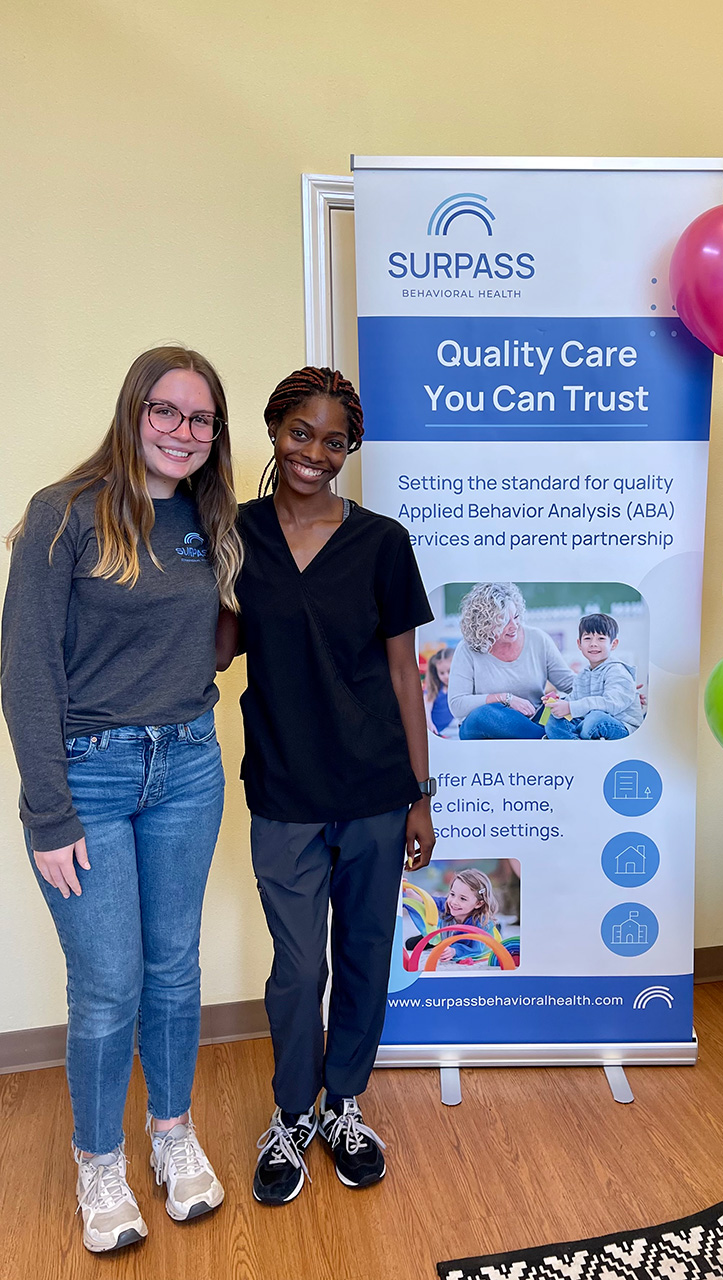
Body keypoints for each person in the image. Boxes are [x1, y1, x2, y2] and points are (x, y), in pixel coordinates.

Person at [1, 346, 242, 1253]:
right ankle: (98, 1160)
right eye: (167, 412)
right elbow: (24, 673)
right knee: (109, 985)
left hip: (186, 766)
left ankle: (171, 1135)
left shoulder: (211, 521)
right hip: (88, 777)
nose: (184, 432)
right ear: (133, 411)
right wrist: (49, 813)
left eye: (202, 419)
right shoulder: (64, 516)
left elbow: (215, 643)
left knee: (174, 968)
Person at [216, 366, 436, 1208]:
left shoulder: (382, 541)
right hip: (282, 790)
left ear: (351, 449)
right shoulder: (235, 534)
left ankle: (344, 1105)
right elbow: (219, 647)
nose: (315, 451)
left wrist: (421, 793)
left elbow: (406, 677)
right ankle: (290, 1113)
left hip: (377, 790)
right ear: (274, 431)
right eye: (300, 433)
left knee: (365, 953)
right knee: (298, 966)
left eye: (334, 439)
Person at [448, 582, 574, 739]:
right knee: (484, 714)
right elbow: (457, 705)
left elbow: (570, 684)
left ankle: (545, 736)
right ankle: (544, 738)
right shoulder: (467, 649)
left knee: (562, 705)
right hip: (485, 726)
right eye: (504, 621)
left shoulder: (537, 639)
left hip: (535, 719)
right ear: (484, 624)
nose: (514, 626)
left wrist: (601, 679)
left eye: (516, 617)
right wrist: (506, 698)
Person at [544, 613, 644, 741]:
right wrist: (560, 703)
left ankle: (580, 743)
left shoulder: (618, 671)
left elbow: (611, 703)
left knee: (595, 718)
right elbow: (575, 699)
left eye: (601, 639)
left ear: (613, 644)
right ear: (579, 644)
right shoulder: (583, 675)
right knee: (553, 719)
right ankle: (575, 747)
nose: (593, 644)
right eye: (587, 638)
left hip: (621, 726)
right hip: (587, 724)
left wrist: (570, 707)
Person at [432, 869, 501, 964]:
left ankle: (498, 927)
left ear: (478, 903)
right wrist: (413, 894)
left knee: (489, 928)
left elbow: (475, 949)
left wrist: (454, 951)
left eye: (463, 899)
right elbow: (431, 903)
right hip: (451, 936)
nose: (454, 902)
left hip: (473, 941)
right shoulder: (449, 904)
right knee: (412, 943)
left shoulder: (479, 923)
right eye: (452, 894)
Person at [423, 646, 458, 737]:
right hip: (432, 730)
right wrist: (428, 723)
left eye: (449, 671)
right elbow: (426, 707)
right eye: (442, 673)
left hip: (443, 731)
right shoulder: (434, 689)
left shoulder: (459, 689)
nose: (446, 676)